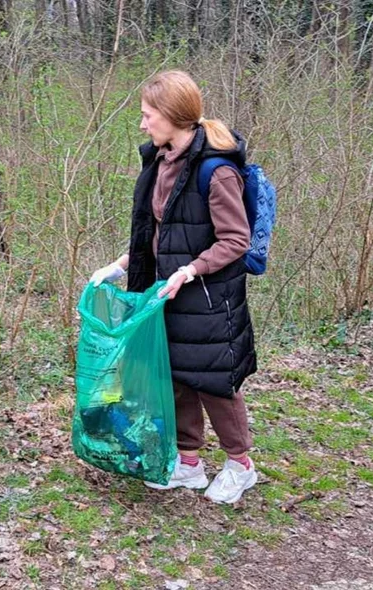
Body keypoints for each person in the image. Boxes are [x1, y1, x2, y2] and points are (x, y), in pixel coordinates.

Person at [89, 70, 258, 504]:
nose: (142, 124)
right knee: (176, 378)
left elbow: (235, 240)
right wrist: (120, 265)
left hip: (209, 298)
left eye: (148, 115)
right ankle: (188, 463)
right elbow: (160, 232)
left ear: (172, 115)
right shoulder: (161, 162)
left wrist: (191, 271)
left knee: (215, 382)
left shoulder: (216, 172)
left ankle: (240, 465)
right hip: (166, 294)